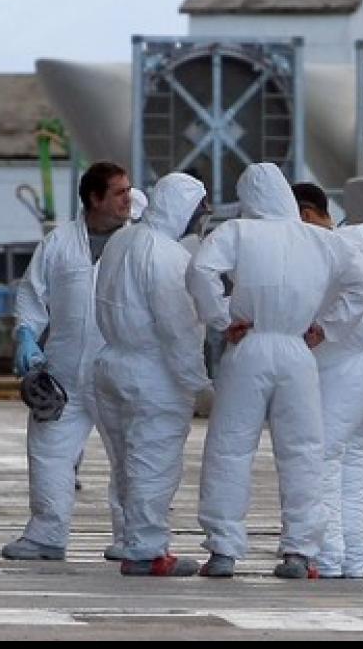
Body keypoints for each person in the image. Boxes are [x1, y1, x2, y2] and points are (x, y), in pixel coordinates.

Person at [187, 163, 363, 579]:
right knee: (303, 451)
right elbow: (362, 286)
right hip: (296, 349)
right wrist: (327, 327)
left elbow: (200, 270)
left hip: (248, 345)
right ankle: (299, 550)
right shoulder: (321, 240)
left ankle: (223, 549)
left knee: (230, 449)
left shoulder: (237, 232)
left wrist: (220, 318)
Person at [3, 161, 132, 561]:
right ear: (94, 198)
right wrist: (26, 333)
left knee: (133, 455)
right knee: (49, 451)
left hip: (119, 369)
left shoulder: (139, 243)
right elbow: (32, 293)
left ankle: (136, 538)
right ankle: (46, 534)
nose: (129, 199)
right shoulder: (59, 243)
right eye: (119, 193)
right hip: (64, 371)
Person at [93, 173, 213, 577]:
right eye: (200, 210)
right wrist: (198, 384)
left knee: (127, 463)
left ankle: (132, 540)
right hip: (153, 374)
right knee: (153, 463)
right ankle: (146, 551)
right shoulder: (168, 256)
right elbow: (178, 329)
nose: (203, 219)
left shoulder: (122, 240)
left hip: (111, 364)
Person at [293, 182, 363, 579]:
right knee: (356, 468)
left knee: (322, 461)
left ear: (304, 216)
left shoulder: (328, 258)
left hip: (340, 369)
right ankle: (355, 558)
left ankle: (327, 556)